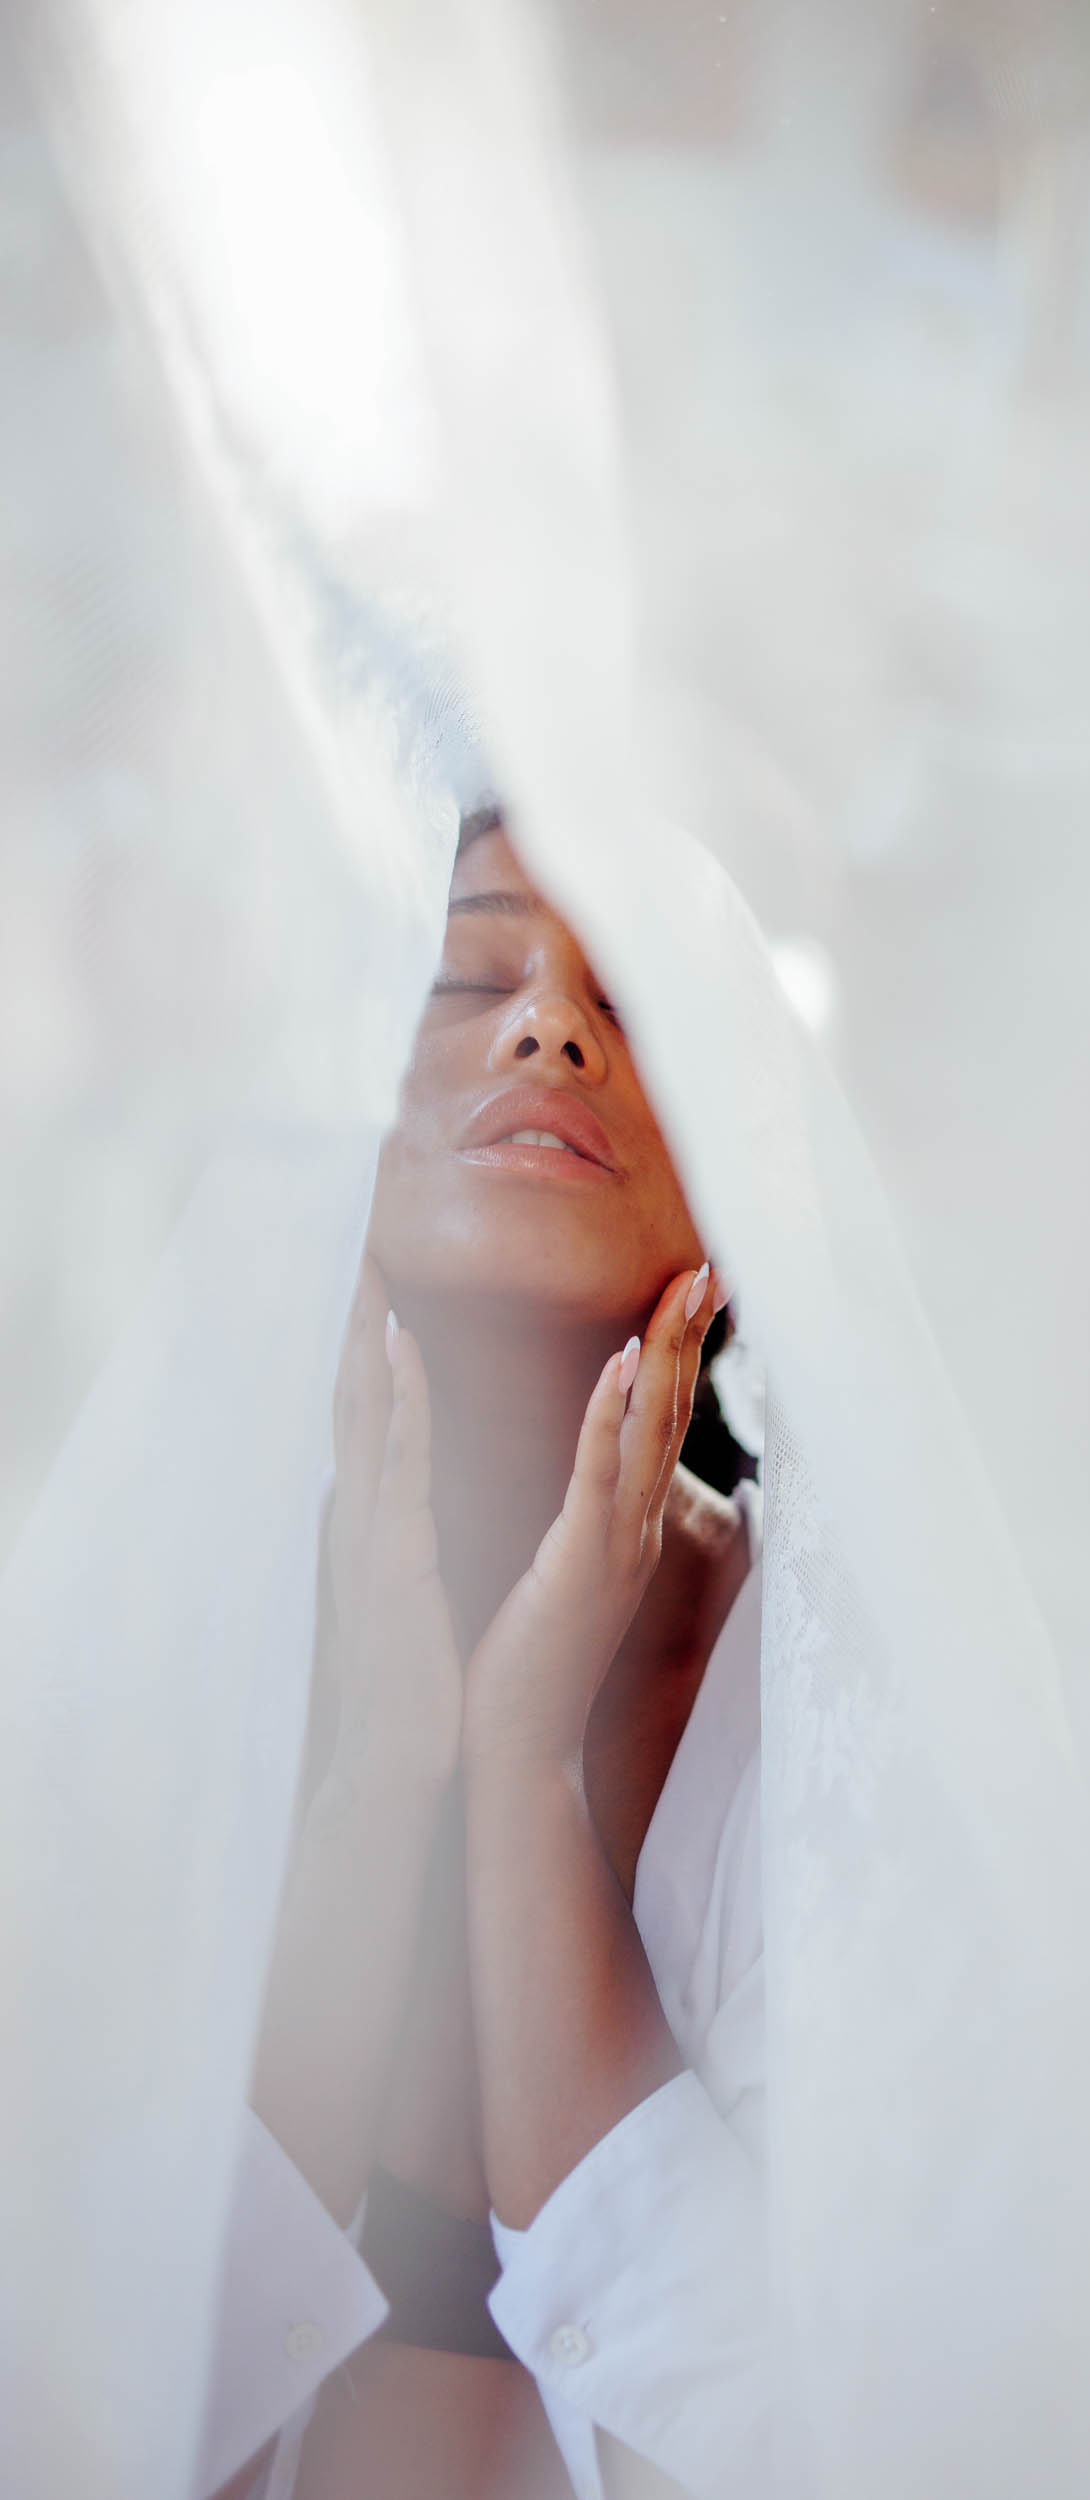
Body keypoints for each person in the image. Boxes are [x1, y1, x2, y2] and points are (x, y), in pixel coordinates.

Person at [197, 805, 770, 2500]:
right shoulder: (154, 1646)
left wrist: (524, 1773)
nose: (550, 1027)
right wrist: (384, 1779)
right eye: (465, 972)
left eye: (636, 1001)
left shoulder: (847, 1700)